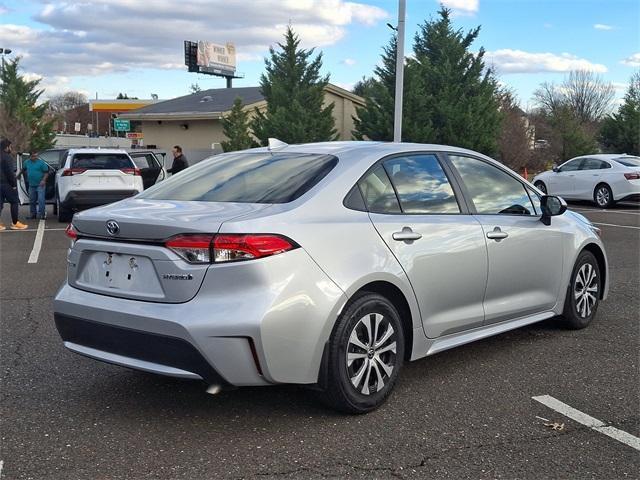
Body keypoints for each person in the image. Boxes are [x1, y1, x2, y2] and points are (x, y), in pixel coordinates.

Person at [0, 139, 28, 230]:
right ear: (6, 147)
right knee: (14, 201)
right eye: (10, 147)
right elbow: (9, 172)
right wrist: (14, 184)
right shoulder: (7, 157)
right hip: (6, 184)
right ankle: (15, 222)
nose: (11, 148)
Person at [17, 150, 49, 219]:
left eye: (36, 156)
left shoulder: (41, 163)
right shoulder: (27, 162)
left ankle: (42, 214)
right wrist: (19, 175)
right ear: (30, 156)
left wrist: (43, 180)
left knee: (41, 200)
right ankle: (33, 214)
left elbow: (46, 172)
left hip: (40, 184)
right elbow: (23, 169)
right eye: (33, 156)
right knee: (32, 200)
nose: (35, 157)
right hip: (31, 185)